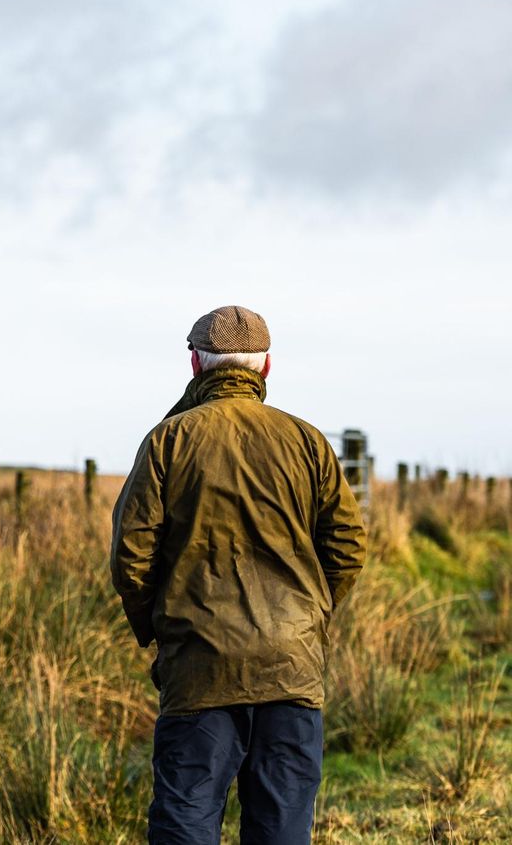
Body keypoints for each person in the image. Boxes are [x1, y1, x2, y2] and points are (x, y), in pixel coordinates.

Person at [110, 305, 367, 844]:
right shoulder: (309, 442)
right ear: (266, 368)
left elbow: (131, 556)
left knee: (186, 824)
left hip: (199, 670)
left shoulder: (168, 440)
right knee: (281, 829)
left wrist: (162, 631)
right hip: (291, 670)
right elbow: (346, 544)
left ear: (195, 365)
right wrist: (309, 617)